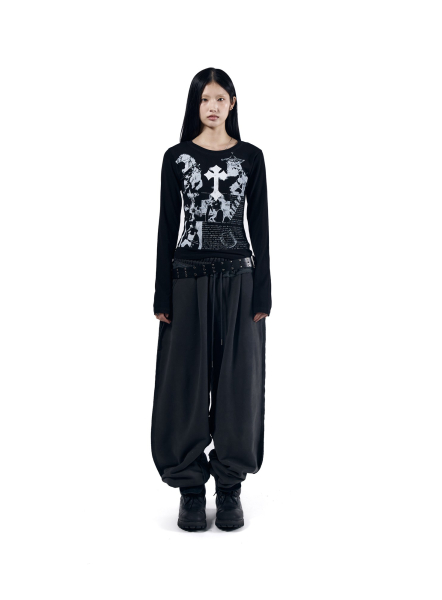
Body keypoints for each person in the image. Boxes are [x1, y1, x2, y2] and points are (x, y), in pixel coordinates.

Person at [151, 67, 272, 531]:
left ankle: (229, 487)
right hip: (187, 277)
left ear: (232, 104)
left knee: (239, 382)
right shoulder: (176, 157)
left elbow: (260, 225)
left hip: (239, 278)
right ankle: (189, 488)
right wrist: (162, 290)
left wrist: (263, 289)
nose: (213, 106)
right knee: (183, 382)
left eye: (221, 98)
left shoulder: (251, 158)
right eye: (205, 99)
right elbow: (167, 225)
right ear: (195, 104)